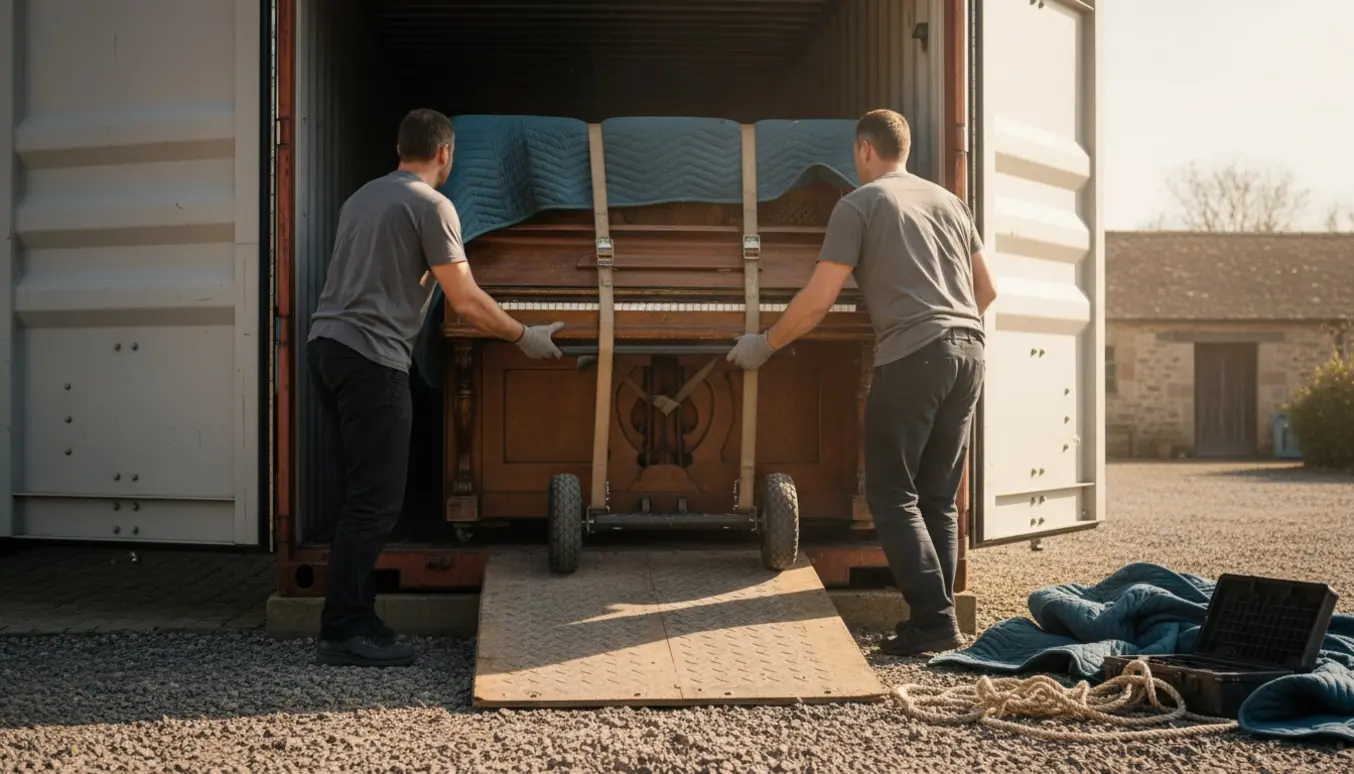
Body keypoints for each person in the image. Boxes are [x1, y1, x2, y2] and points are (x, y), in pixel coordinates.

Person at [726, 108, 998, 657]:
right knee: (938, 497)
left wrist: (766, 343)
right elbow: (987, 290)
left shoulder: (859, 204)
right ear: (906, 150)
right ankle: (937, 620)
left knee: (891, 494)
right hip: (970, 351)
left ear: (864, 150)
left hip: (916, 356)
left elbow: (818, 300)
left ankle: (934, 622)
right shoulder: (949, 202)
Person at [307, 108, 565, 667]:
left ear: (400, 149)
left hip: (326, 349)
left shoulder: (362, 197)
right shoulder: (432, 205)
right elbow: (464, 297)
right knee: (375, 503)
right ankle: (342, 630)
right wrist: (525, 335)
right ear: (445, 153)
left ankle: (360, 616)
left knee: (363, 496)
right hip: (371, 359)